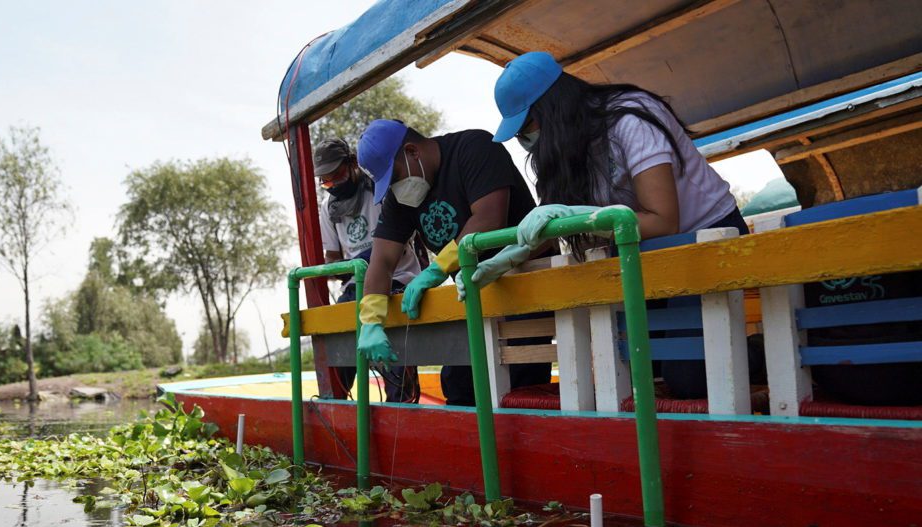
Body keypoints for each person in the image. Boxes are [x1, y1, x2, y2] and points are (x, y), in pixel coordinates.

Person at [478, 52, 749, 400]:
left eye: (526, 126)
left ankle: (756, 351)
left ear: (552, 109)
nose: (525, 140)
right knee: (635, 369)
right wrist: (507, 257)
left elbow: (664, 220)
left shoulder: (630, 117)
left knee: (689, 378)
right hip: (645, 255)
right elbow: (548, 222)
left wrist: (583, 218)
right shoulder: (569, 150)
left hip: (704, 240)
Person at [354, 119, 551, 406]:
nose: (396, 189)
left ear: (412, 151)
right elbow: (382, 260)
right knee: (460, 388)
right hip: (471, 292)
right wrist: (371, 320)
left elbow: (489, 219)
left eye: (394, 178)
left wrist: (436, 269)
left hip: (523, 280)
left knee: (521, 389)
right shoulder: (402, 198)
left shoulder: (474, 147)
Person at [314, 138, 421, 403]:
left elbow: (399, 239)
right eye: (326, 181)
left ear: (352, 164)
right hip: (355, 286)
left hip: (396, 281)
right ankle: (338, 409)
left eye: (337, 175)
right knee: (338, 354)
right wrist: (343, 268)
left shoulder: (379, 189)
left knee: (396, 364)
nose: (333, 184)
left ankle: (402, 411)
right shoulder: (328, 208)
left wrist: (368, 258)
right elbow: (333, 257)